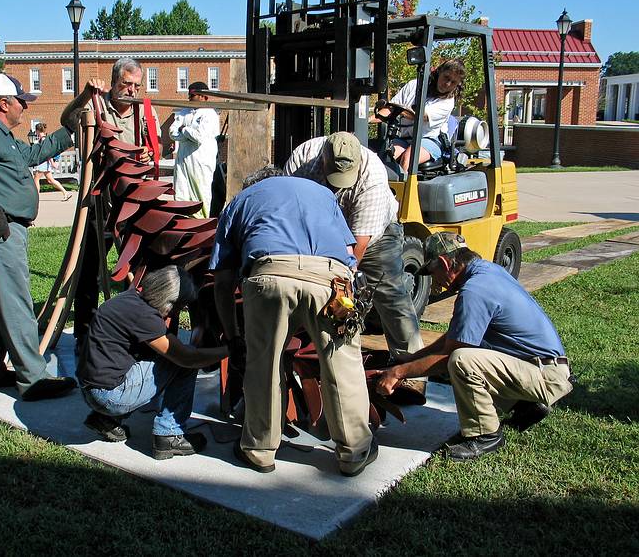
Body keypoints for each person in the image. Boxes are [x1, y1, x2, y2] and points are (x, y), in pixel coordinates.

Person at [210, 167, 377, 477]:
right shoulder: (323, 193)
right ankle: (354, 452)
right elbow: (350, 251)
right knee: (342, 364)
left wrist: (233, 336)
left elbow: (222, 281)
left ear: (254, 185)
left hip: (269, 275)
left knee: (263, 364)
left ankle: (260, 450)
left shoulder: (239, 201)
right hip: (331, 278)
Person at [375, 232, 574, 461]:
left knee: (462, 361)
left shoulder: (475, 291)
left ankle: (485, 434)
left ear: (444, 263)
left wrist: (397, 373)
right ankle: (527, 405)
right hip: (543, 366)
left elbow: (449, 356)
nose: (434, 282)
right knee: (466, 353)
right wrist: (410, 359)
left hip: (546, 375)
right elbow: (455, 336)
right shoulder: (488, 272)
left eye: (433, 273)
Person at [0, 73, 78, 400]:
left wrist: (70, 132)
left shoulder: (2, 136)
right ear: (4, 103)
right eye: (22, 101)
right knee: (14, 301)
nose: (25, 106)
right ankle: (33, 378)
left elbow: (31, 156)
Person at [283, 132, 423, 360]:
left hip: (373, 239)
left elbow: (356, 251)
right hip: (318, 232)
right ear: (323, 159)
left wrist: (341, 283)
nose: (337, 185)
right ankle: (313, 353)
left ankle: (411, 365)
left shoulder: (373, 179)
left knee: (391, 295)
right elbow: (291, 210)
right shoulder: (303, 158)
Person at [60, 58, 162, 351]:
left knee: (140, 266)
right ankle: (85, 334)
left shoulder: (145, 110)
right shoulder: (96, 105)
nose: (130, 91)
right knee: (90, 266)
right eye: (125, 84)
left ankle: (140, 330)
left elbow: (157, 146)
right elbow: (67, 121)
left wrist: (146, 154)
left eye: (135, 86)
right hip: (99, 201)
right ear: (114, 81)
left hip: (134, 200)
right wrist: (83, 95)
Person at [77, 265, 228, 458]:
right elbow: (187, 358)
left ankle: (106, 420)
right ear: (169, 301)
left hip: (91, 389)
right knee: (183, 363)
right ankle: (169, 434)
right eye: (179, 308)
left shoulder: (129, 299)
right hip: (109, 395)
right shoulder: (146, 317)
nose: (176, 314)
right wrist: (226, 350)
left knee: (162, 355)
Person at [372, 59, 465, 174]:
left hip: (430, 140)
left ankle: (403, 190)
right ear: (439, 71)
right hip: (406, 139)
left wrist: (397, 110)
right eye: (446, 77)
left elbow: (420, 117)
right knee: (384, 158)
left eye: (453, 82)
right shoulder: (413, 85)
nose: (447, 84)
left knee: (408, 157)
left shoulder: (448, 102)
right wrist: (365, 121)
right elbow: (390, 109)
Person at [169, 81, 220, 219]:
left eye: (193, 95)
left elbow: (199, 136)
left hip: (201, 162)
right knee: (181, 194)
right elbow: (172, 132)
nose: (189, 98)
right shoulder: (184, 111)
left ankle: (202, 226)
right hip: (183, 161)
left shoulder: (210, 114)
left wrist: (184, 129)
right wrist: (187, 132)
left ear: (203, 96)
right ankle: (182, 226)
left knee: (201, 194)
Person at [32, 123, 72, 202]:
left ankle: (35, 198)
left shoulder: (43, 140)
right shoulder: (43, 139)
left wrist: (52, 163)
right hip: (45, 162)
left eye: (36, 131)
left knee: (36, 179)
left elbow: (47, 152)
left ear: (37, 131)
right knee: (50, 180)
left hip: (43, 162)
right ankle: (66, 193)